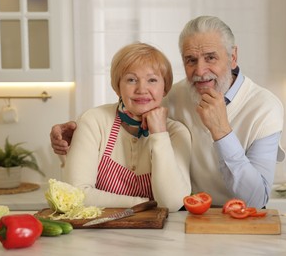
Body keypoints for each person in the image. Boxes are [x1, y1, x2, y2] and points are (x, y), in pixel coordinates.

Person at [50, 16, 284, 209]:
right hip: (188, 216)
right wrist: (79, 133)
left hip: (240, 217)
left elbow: (257, 199)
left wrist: (221, 131)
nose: (200, 71)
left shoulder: (265, 108)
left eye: (210, 58)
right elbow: (132, 109)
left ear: (233, 57)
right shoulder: (174, 95)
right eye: (191, 60)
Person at [57, 42, 191, 213]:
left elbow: (171, 203)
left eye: (152, 80)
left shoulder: (176, 133)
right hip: (97, 235)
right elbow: (76, 193)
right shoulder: (93, 121)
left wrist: (159, 135)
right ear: (117, 86)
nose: (142, 89)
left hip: (160, 237)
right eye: (131, 80)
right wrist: (145, 203)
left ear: (164, 88)